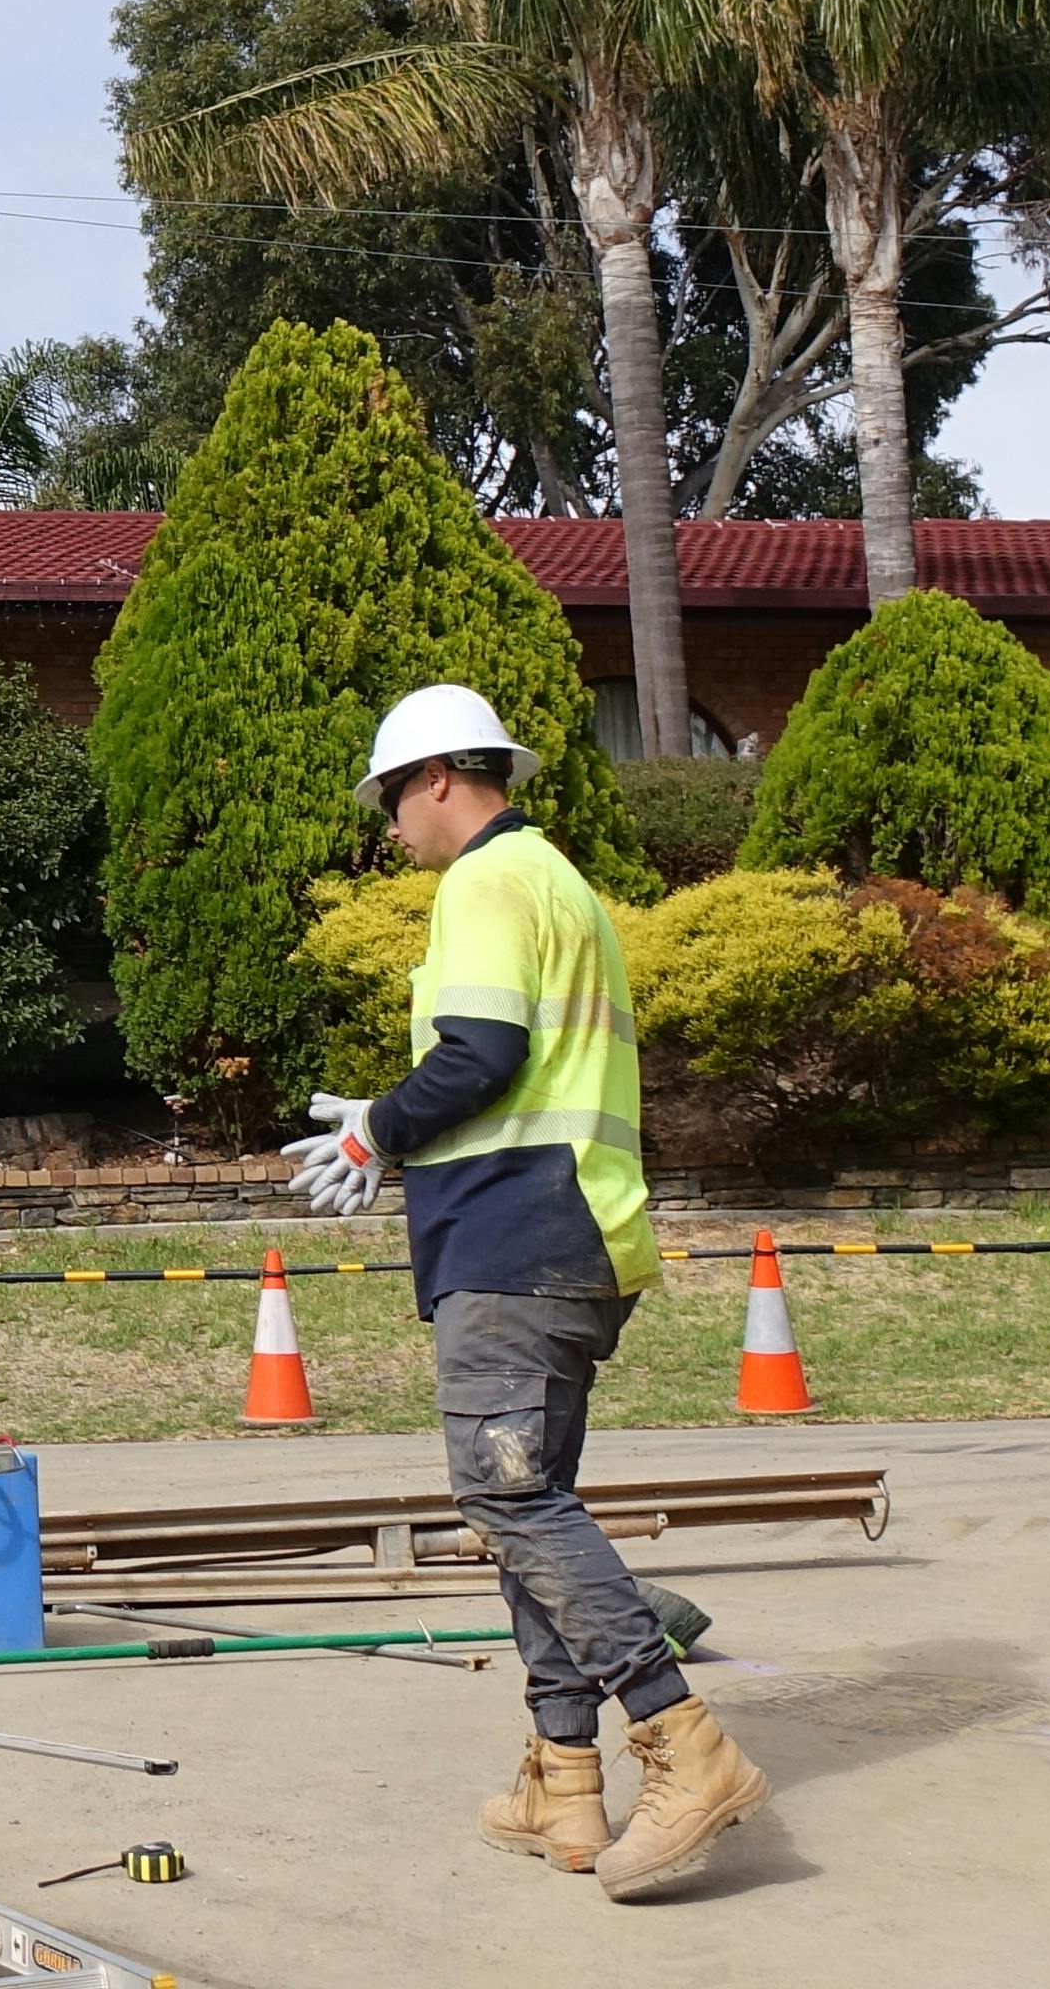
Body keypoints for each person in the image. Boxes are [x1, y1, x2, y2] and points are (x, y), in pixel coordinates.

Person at [278, 685, 766, 1901]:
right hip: (577, 1232)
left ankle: (684, 1745)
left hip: (515, 1233)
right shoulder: (562, 882)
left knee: (510, 1502)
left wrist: (375, 1131)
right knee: (528, 1504)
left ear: (441, 776)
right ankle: (564, 1780)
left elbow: (482, 1052)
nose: (389, 824)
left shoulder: (486, 882)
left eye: (391, 796)